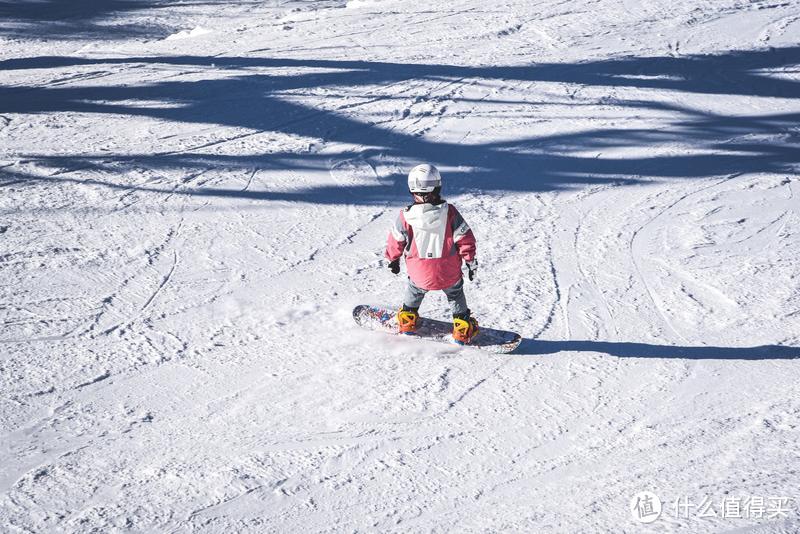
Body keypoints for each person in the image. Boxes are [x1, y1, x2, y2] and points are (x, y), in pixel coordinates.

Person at [385, 164, 479, 344]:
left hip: (420, 273)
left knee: (415, 287)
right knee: (455, 292)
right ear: (438, 187)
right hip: (448, 272)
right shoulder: (450, 213)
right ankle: (462, 327)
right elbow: (465, 238)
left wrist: (393, 259)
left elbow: (395, 240)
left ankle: (407, 319)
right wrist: (470, 261)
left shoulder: (405, 216)